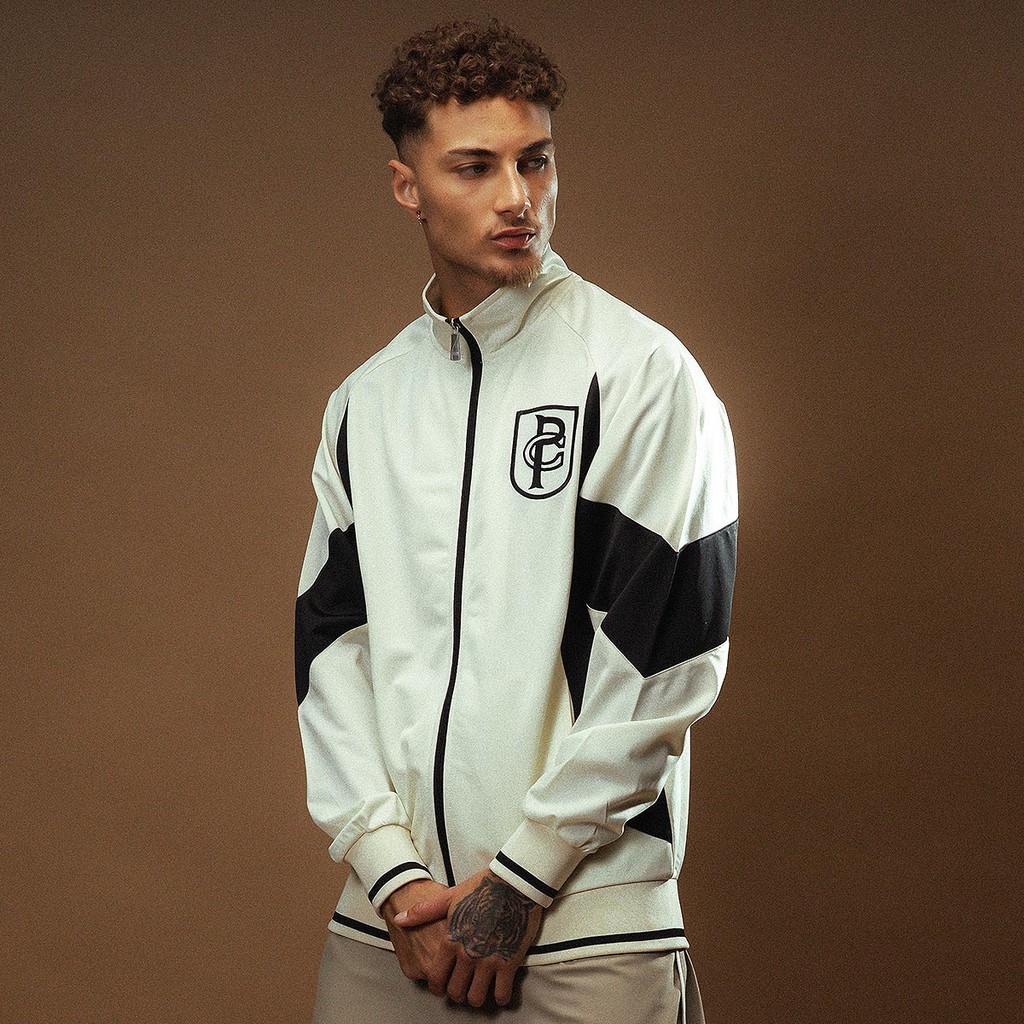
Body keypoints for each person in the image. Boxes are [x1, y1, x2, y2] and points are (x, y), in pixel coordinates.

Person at [295, 20, 737, 1024]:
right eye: (475, 167)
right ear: (407, 185)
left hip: (587, 925)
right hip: (392, 930)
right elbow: (331, 654)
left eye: (535, 161)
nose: (516, 198)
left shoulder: (638, 374)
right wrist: (390, 872)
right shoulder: (367, 402)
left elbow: (667, 658)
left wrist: (520, 880)